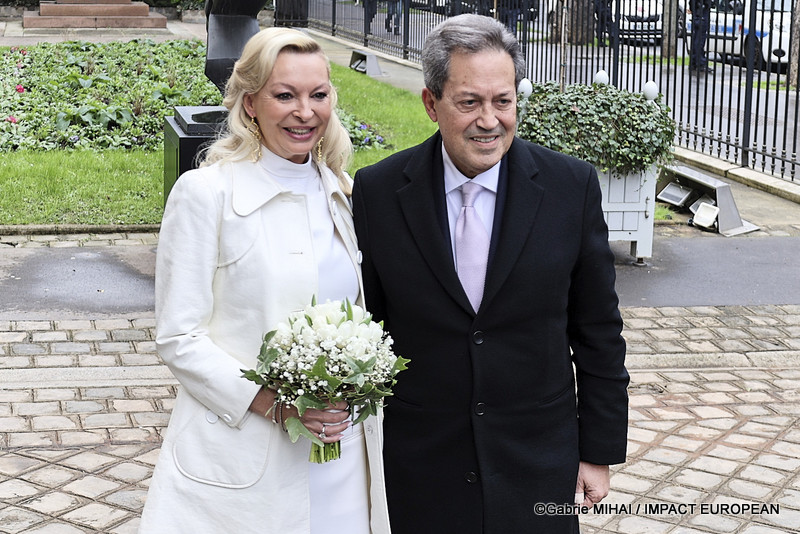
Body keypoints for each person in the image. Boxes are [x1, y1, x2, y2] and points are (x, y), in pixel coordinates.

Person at [352, 14, 629, 533]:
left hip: (538, 455)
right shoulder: (379, 193)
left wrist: (598, 450)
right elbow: (372, 328)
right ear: (431, 104)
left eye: (503, 101)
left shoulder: (571, 187)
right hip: (423, 459)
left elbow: (597, 331)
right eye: (469, 102)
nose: (489, 119)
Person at [138, 27, 390, 534]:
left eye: (318, 95)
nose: (305, 112)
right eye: (285, 95)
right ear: (251, 103)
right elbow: (178, 337)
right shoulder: (206, 194)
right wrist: (278, 405)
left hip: (343, 453)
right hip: (245, 456)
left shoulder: (341, 191)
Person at [689, 0, 713, 73]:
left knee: (696, 39)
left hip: (697, 12)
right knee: (699, 41)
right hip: (702, 12)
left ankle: (693, 62)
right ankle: (700, 63)